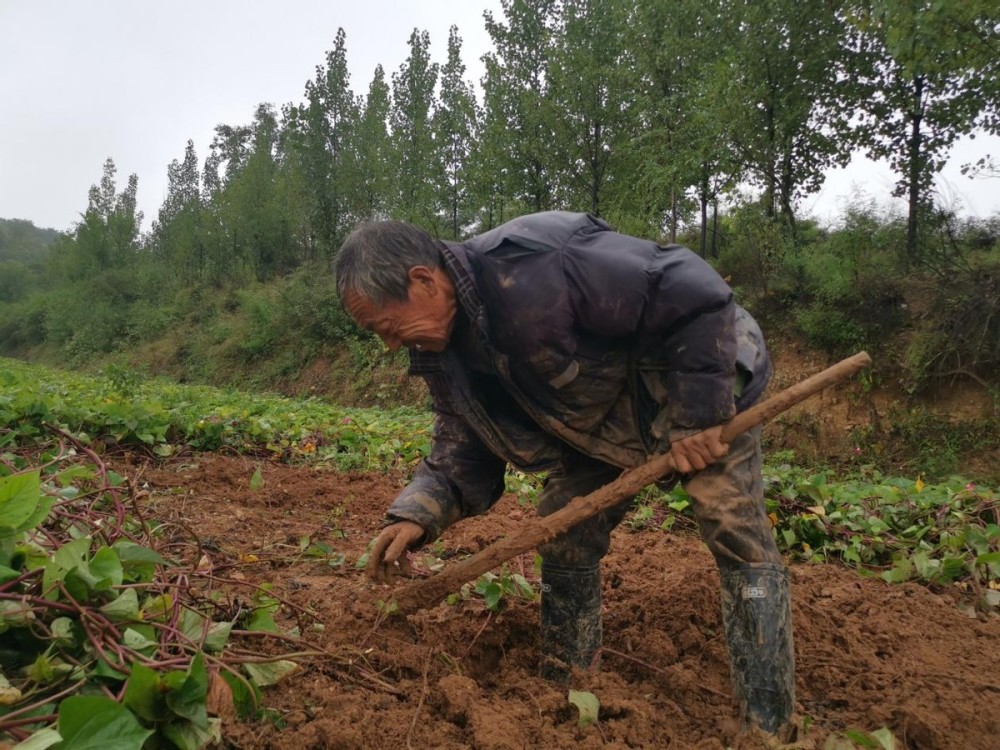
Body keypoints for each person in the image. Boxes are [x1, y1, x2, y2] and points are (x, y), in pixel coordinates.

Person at [334, 211, 795, 734]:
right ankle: (565, 686)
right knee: (564, 523)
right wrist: (418, 512)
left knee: (730, 521)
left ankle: (768, 721)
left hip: (696, 379)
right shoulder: (443, 355)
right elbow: (463, 445)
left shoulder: (537, 261)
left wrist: (699, 415)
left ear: (423, 280)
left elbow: (688, 287)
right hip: (604, 424)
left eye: (387, 327)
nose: (391, 345)